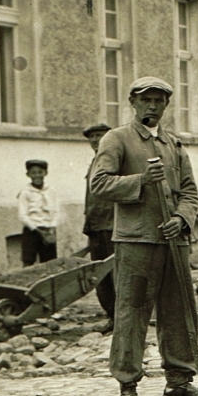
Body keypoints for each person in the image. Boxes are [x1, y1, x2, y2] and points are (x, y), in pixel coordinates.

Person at [90, 77, 198, 396]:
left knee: (179, 310)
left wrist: (182, 218)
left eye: (159, 101)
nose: (152, 106)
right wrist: (141, 182)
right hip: (136, 240)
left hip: (173, 240)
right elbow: (99, 184)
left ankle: (179, 381)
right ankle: (127, 386)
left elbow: (190, 191)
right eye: (146, 100)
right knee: (131, 312)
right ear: (132, 102)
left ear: (166, 105)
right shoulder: (117, 139)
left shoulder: (174, 144)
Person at [82, 123, 116, 332]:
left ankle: (120, 317)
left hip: (111, 224)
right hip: (95, 225)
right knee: (99, 275)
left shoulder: (114, 160)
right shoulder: (94, 162)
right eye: (92, 137)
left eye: (100, 136)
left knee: (114, 273)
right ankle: (111, 315)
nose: (95, 140)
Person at [17, 159, 59, 266]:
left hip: (48, 230)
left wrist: (52, 228)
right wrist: (38, 231)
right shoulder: (25, 193)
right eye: (33, 173)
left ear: (46, 173)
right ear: (28, 174)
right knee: (28, 262)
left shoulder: (51, 191)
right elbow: (23, 215)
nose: (37, 176)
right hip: (32, 231)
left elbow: (55, 211)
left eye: (40, 172)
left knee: (50, 264)